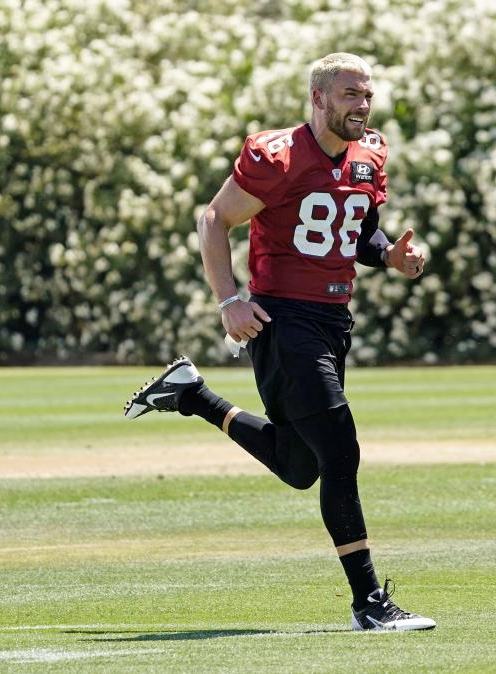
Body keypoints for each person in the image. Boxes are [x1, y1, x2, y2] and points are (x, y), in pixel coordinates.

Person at [123, 53, 435, 632]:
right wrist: (228, 299)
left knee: (299, 466)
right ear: (318, 99)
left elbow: (360, 230)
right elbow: (214, 219)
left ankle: (193, 395)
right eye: (348, 95)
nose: (361, 106)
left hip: (333, 319)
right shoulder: (279, 156)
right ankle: (369, 603)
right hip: (282, 319)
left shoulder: (369, 155)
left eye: (366, 95)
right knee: (340, 450)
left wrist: (390, 255)